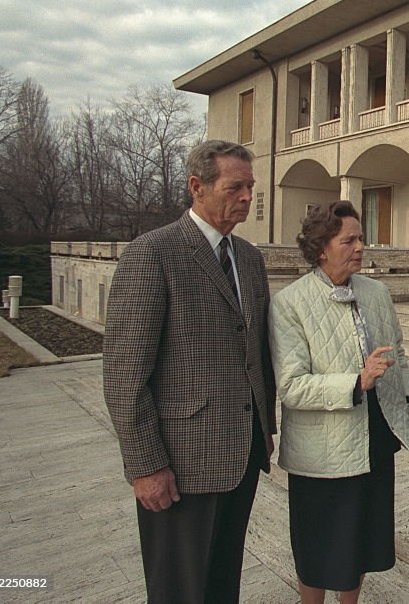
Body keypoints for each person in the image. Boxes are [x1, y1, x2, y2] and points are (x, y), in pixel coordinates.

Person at [103, 139, 276, 603]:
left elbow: (255, 352)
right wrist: (146, 466)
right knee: (179, 590)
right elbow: (124, 376)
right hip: (180, 465)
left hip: (241, 457)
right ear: (197, 187)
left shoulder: (250, 259)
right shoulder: (152, 255)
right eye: (235, 187)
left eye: (251, 187)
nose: (246, 197)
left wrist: (266, 429)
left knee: (223, 583)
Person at [269, 200, 409, 604]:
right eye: (349, 240)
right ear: (321, 248)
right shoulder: (289, 303)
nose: (360, 247)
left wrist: (404, 399)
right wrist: (357, 380)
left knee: (361, 540)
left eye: (361, 238)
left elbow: (398, 351)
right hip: (320, 450)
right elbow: (292, 386)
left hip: (373, 438)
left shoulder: (377, 292)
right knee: (317, 543)